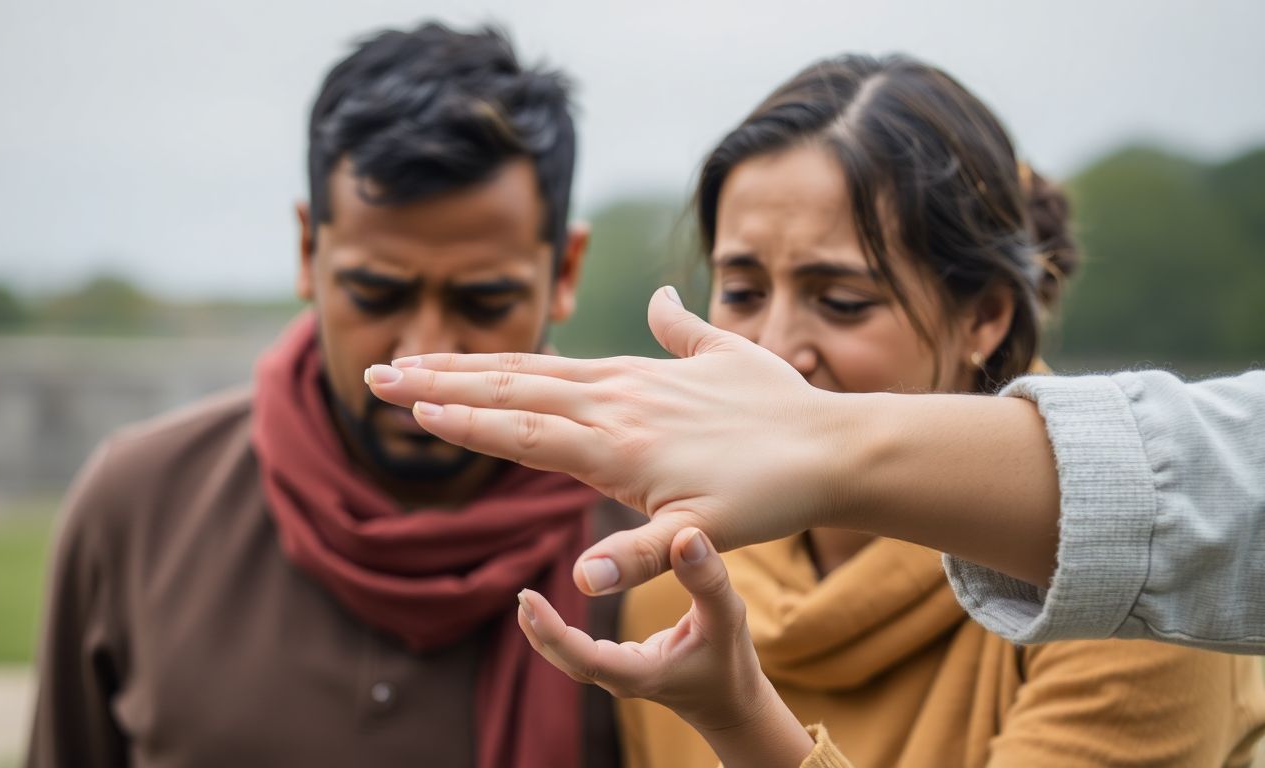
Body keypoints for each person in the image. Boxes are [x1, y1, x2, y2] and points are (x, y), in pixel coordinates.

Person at [372, 54, 1265, 767]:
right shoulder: (670, 576)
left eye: (843, 301)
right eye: (741, 288)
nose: (773, 350)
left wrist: (742, 722)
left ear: (986, 314)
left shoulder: (1125, 573)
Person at [26, 23, 638, 768]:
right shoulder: (138, 510)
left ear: (565, 271)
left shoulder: (651, 551)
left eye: (484, 300)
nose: (421, 357)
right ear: (306, 250)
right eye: (376, 293)